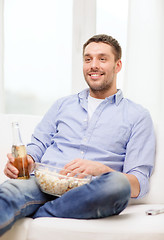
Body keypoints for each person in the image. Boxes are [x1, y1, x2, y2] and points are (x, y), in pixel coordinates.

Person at [0, 34, 155, 236]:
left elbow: (138, 184)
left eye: (102, 58)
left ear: (118, 66)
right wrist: (28, 159)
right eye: (88, 59)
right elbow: (38, 144)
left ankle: (40, 212)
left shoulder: (138, 116)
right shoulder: (62, 105)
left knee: (119, 185)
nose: (93, 65)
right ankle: (44, 209)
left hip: (90, 192)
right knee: (8, 192)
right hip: (43, 183)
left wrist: (101, 169)